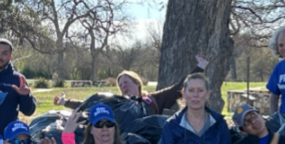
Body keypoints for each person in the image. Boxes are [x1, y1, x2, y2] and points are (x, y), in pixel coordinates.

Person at [53, 56, 209, 115]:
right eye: (120, 85)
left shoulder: (154, 100)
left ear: (137, 83)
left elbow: (178, 87)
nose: (123, 87)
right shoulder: (116, 102)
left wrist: (200, 66)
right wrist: (64, 102)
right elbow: (88, 105)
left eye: (126, 82)